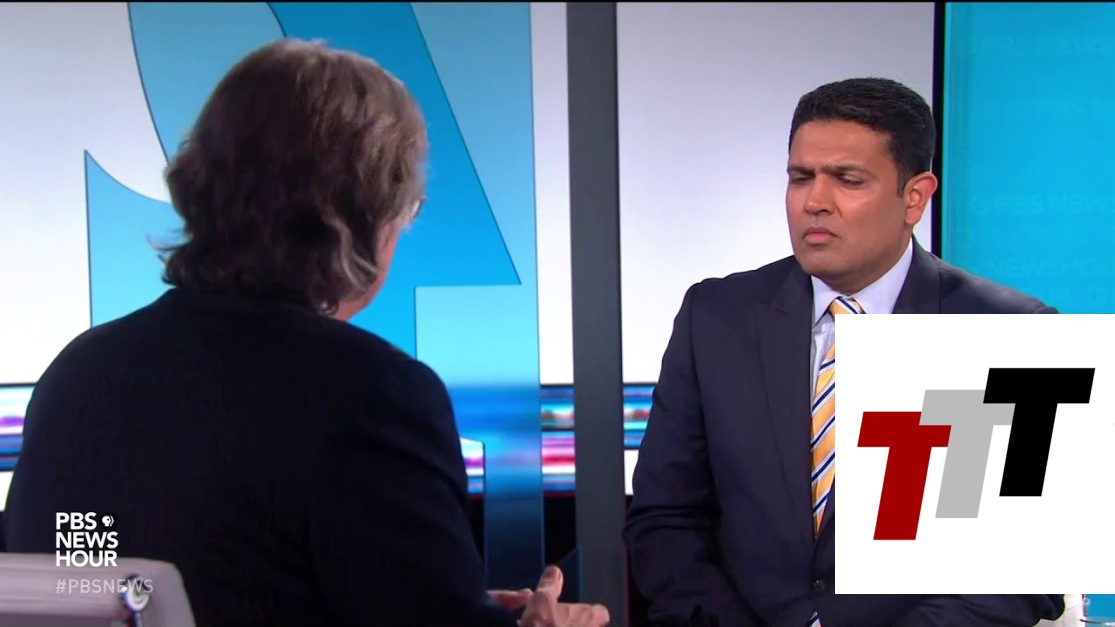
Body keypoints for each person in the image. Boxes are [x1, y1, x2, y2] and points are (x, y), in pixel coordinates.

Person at [3, 39, 608, 627]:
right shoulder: (376, 398)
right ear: (361, 218)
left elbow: (182, 579)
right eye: (408, 208)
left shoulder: (75, 377)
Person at [623, 77, 1065, 627]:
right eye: (800, 177)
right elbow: (665, 520)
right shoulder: (714, 317)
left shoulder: (1011, 332)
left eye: (847, 180)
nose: (815, 202)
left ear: (915, 197)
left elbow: (1025, 571)